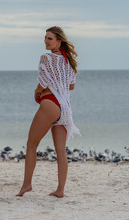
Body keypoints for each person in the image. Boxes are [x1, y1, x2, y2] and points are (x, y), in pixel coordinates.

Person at [16, 26, 81, 198]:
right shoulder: (68, 60)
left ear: (59, 41)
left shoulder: (46, 57)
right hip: (65, 108)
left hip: (50, 103)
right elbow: (71, 85)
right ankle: (60, 190)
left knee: (31, 144)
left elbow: (43, 82)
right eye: (45, 38)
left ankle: (27, 185)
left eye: (49, 38)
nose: (46, 41)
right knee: (60, 150)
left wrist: (37, 92)